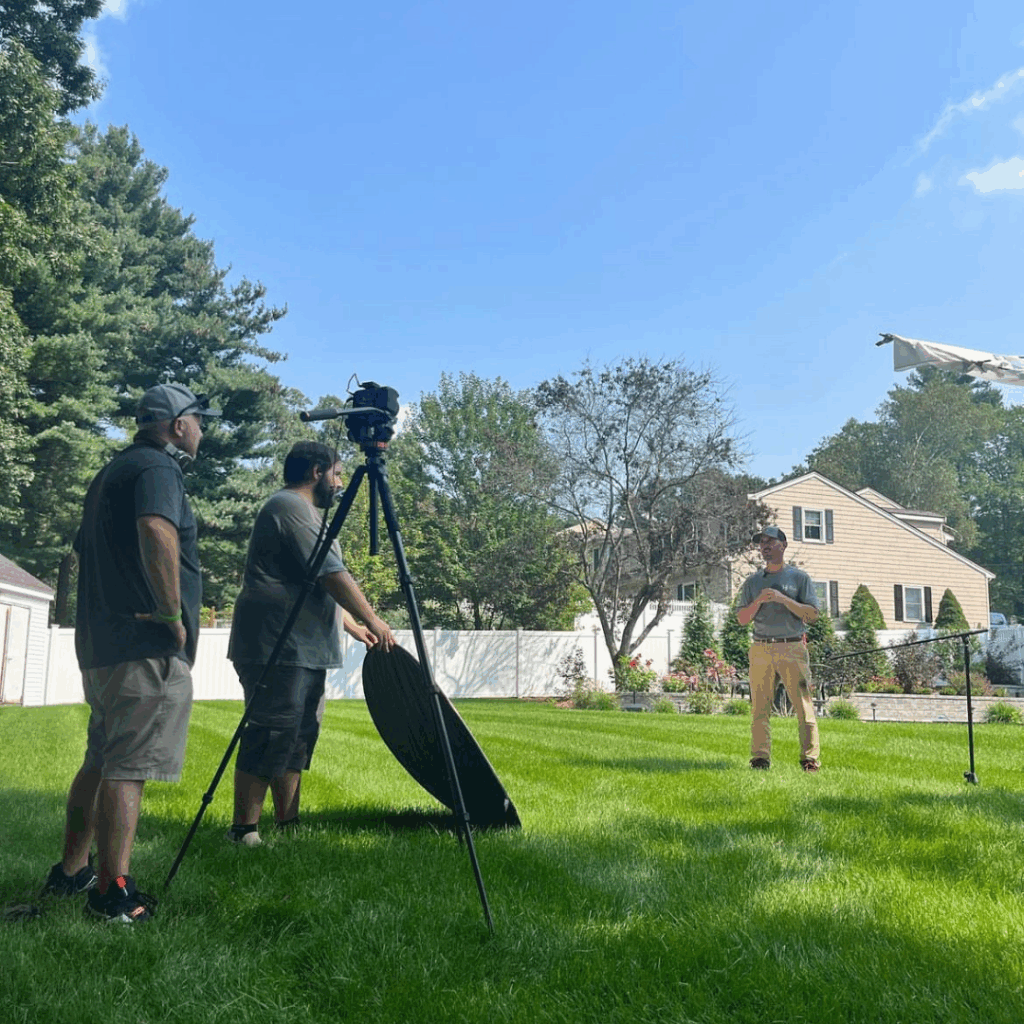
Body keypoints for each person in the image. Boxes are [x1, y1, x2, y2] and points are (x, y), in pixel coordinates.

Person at [42, 383, 220, 923]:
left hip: (102, 644)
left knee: (100, 758)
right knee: (127, 768)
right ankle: (112, 894)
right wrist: (172, 613)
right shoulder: (157, 469)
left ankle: (73, 873)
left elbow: (91, 548)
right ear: (178, 425)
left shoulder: (113, 471)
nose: (203, 430)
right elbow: (154, 528)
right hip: (143, 646)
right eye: (199, 420)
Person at [226, 441, 396, 846]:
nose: (340, 483)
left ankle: (288, 822)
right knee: (270, 731)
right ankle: (244, 829)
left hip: (303, 646)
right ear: (317, 471)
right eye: (337, 474)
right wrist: (374, 617)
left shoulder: (304, 513)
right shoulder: (289, 507)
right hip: (276, 644)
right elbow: (330, 573)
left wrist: (353, 625)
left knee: (299, 735)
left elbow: (309, 581)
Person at [736, 525, 821, 772]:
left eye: (771, 542)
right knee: (759, 708)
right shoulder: (752, 583)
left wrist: (781, 598)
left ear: (783, 545)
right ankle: (759, 759)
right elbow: (742, 619)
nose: (765, 547)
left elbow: (812, 614)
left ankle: (810, 759)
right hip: (761, 649)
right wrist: (761, 599)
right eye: (762, 543)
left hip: (792, 647)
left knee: (803, 706)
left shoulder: (799, 578)